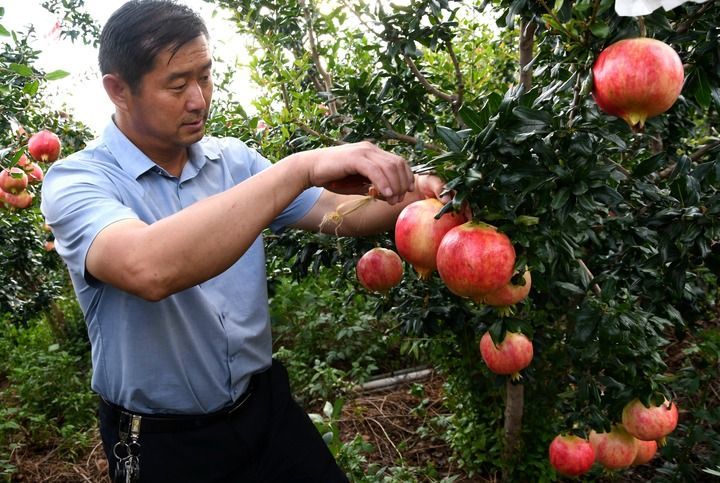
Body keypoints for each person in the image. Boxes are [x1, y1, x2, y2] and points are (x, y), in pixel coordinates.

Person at [40, 1, 450, 481]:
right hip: (162, 441)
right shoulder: (78, 181)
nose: (199, 99)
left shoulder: (232, 162)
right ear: (118, 90)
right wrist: (298, 168)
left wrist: (428, 192)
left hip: (265, 409)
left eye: (206, 77)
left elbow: (334, 211)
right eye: (177, 84)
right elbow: (146, 267)